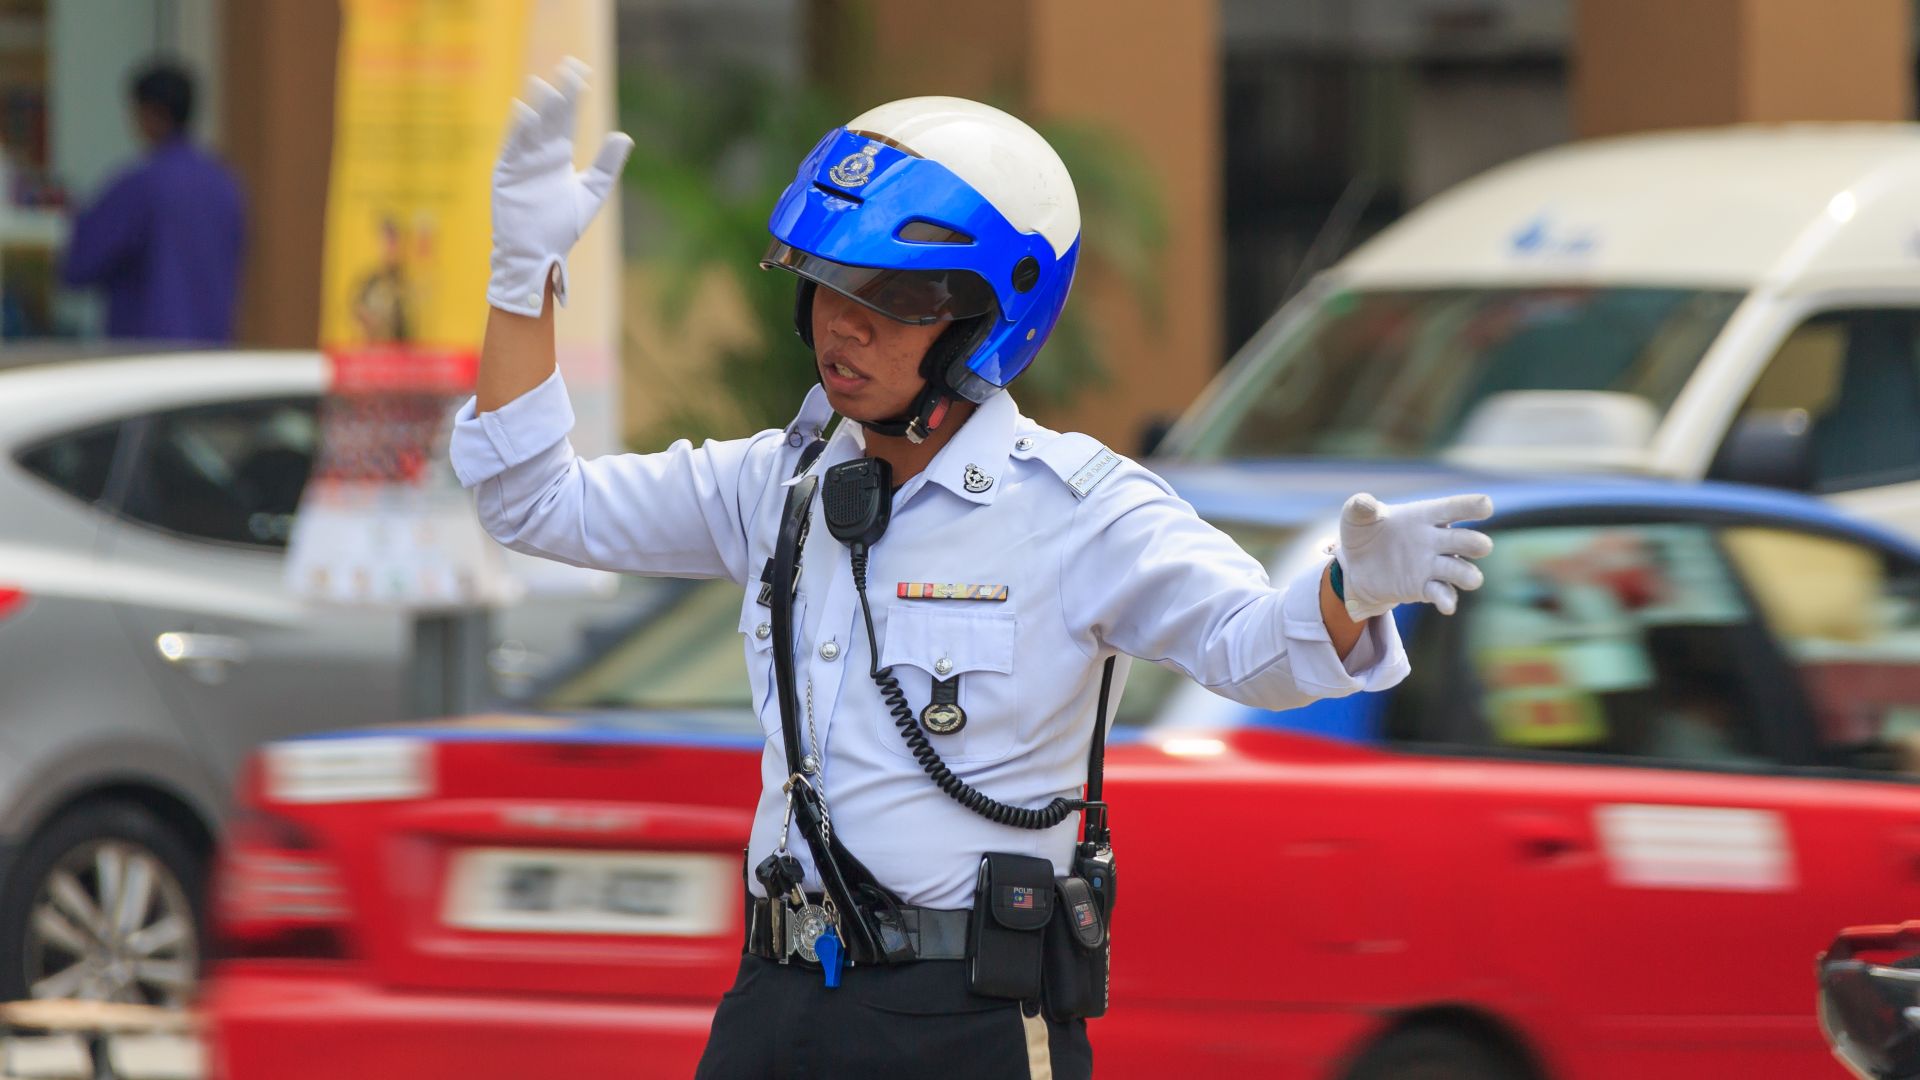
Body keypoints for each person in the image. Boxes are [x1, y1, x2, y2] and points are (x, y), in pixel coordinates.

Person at [451, 60, 1495, 1080]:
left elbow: (1250, 648)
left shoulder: (1079, 510)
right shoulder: (777, 484)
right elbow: (533, 502)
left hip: (963, 1024)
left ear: (991, 317)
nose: (840, 325)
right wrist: (519, 281)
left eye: (891, 299)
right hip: (774, 1001)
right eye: (824, 285)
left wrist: (1348, 593)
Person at [59, 60, 246, 343]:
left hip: (147, 359)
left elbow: (79, 264)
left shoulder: (142, 186)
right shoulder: (225, 186)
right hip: (212, 358)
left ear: (150, 113)